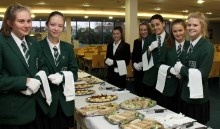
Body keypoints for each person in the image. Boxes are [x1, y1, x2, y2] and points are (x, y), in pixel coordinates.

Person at [0, 3, 49, 129]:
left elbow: (43, 67)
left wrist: (37, 80)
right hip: (12, 114)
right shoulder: (1, 43)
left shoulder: (33, 43)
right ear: (10, 23)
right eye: (21, 21)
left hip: (36, 110)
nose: (27, 25)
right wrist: (24, 82)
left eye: (29, 21)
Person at [39, 11, 78, 129]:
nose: (56, 29)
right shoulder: (37, 47)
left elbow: (74, 73)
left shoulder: (68, 48)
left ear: (63, 28)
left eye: (60, 26)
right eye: (53, 24)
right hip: (46, 103)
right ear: (47, 25)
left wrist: (63, 75)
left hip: (65, 103)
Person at [174, 12, 214, 124]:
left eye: (195, 25)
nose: (191, 28)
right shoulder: (187, 44)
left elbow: (202, 75)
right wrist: (179, 70)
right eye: (189, 25)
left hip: (197, 99)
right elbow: (183, 63)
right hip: (184, 94)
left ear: (202, 27)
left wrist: (181, 69)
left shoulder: (207, 47)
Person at [157, 19, 189, 113]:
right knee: (167, 114)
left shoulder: (190, 46)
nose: (178, 33)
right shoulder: (167, 45)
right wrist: (170, 69)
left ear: (185, 30)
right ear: (172, 32)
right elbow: (158, 64)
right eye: (175, 31)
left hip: (184, 88)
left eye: (180, 30)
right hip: (169, 87)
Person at [142, 14, 169, 102]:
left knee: (164, 105)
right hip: (151, 78)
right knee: (151, 104)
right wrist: (150, 49)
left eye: (157, 24)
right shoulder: (149, 39)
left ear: (163, 24)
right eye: (153, 26)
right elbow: (143, 58)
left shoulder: (171, 38)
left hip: (165, 78)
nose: (155, 27)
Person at [131, 21, 152, 96]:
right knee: (138, 94)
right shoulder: (136, 41)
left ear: (148, 30)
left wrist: (144, 63)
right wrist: (134, 64)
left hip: (149, 74)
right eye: (141, 30)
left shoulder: (153, 41)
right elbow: (133, 56)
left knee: (148, 96)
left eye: (145, 30)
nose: (143, 32)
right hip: (138, 74)